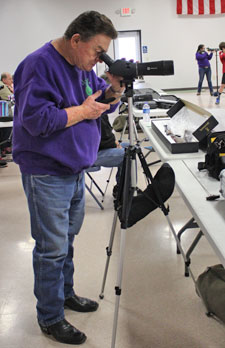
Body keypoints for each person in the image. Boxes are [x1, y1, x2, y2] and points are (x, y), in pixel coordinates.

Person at [12, 11, 125, 345]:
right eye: (97, 50)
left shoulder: (81, 66)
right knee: (51, 249)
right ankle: (50, 317)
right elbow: (36, 120)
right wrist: (86, 111)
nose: (98, 59)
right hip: (47, 172)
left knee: (66, 242)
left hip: (75, 169)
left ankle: (65, 294)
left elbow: (97, 104)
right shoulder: (39, 64)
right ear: (76, 39)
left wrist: (113, 92)